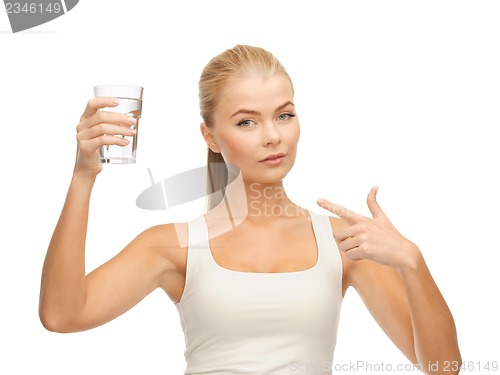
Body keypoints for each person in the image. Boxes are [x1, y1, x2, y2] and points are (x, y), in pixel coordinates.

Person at [39, 45, 461, 374]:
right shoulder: (175, 246)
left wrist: (412, 261)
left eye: (284, 115)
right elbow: (61, 315)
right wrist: (83, 177)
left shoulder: (344, 242)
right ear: (210, 136)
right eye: (246, 121)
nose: (273, 136)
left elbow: (443, 368)